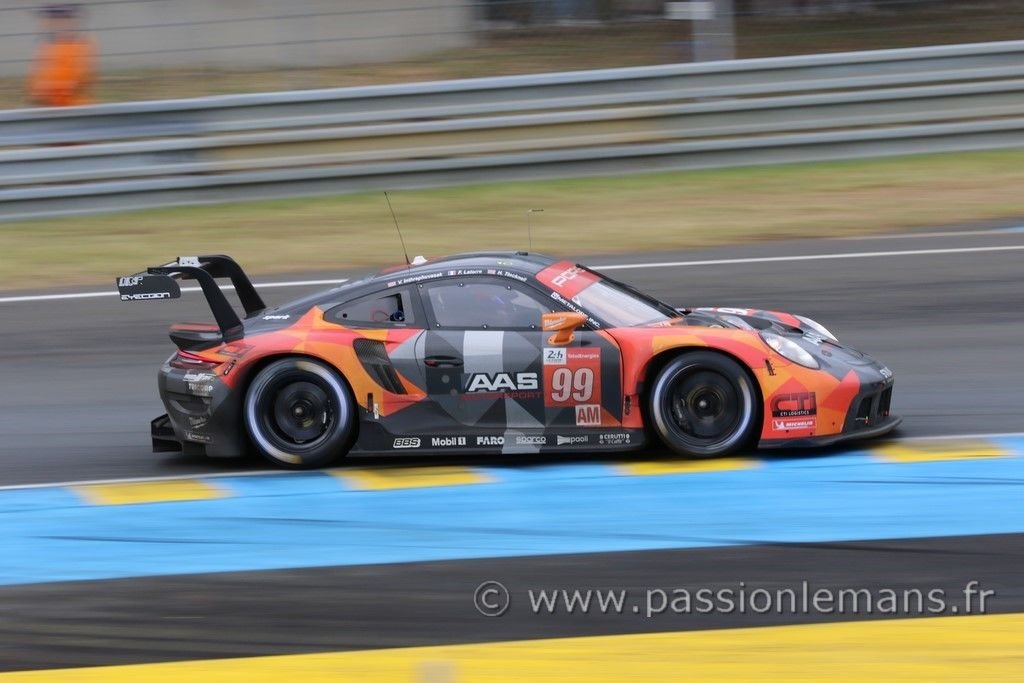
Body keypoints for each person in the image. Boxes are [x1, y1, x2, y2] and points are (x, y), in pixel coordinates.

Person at [27, 4, 95, 107]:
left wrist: (45, 90)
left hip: (72, 108)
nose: (45, 24)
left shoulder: (81, 45)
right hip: (47, 108)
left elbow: (78, 82)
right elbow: (35, 85)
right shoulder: (45, 46)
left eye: (51, 19)